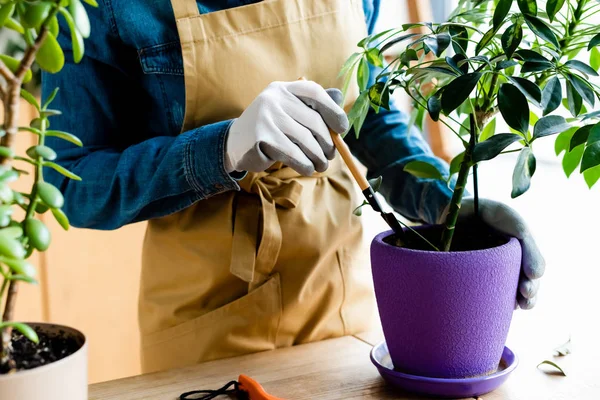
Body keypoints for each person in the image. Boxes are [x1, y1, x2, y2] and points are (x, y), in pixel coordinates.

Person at [42, 0, 544, 373]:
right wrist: (223, 149)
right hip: (205, 321)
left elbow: (365, 115)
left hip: (344, 304)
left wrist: (442, 203)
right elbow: (72, 184)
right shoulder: (108, 7)